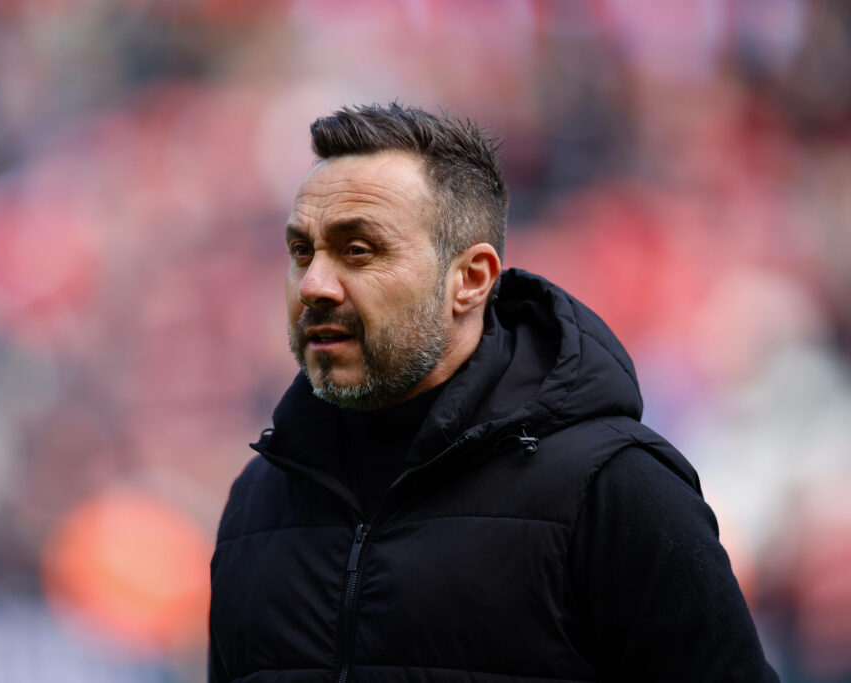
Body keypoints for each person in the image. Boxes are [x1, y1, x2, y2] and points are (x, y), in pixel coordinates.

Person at [208, 102, 778, 682]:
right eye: (302, 252)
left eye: (359, 250)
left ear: (471, 279)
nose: (314, 286)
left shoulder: (617, 493)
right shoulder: (258, 503)